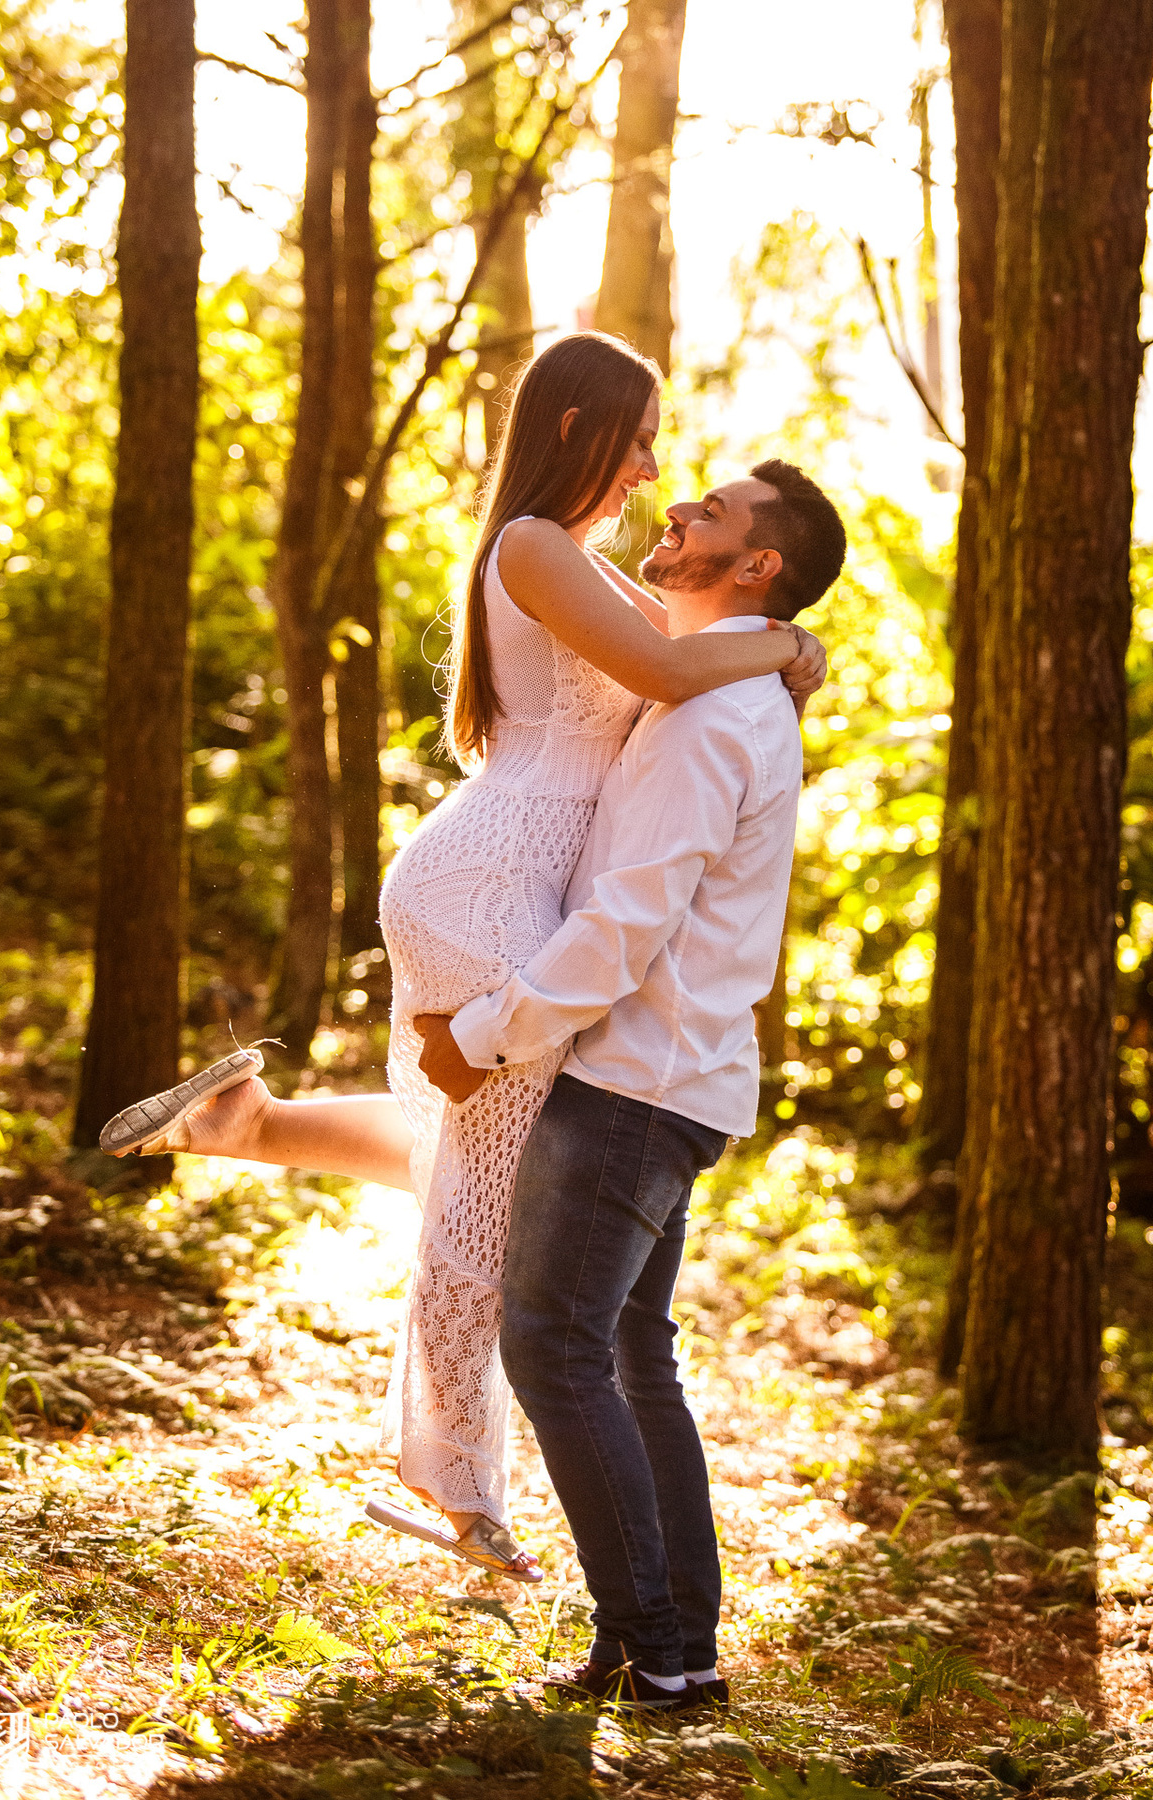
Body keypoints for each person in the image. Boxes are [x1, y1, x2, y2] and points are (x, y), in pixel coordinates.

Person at [99, 332, 826, 1583]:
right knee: (496, 1192)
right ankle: (460, 1487)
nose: (655, 465)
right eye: (641, 434)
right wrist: (788, 646)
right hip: (492, 880)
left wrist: (774, 640)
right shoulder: (537, 546)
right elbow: (671, 667)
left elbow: (686, 651)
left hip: (512, 879)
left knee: (489, 1160)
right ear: (572, 427)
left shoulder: (589, 567)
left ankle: (250, 1125)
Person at [413, 460, 847, 1706]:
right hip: (670, 1076)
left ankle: (661, 1651)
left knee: (552, 1348)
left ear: (757, 564)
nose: (678, 512)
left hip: (635, 1087)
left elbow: (623, 927)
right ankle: (668, 1644)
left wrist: (485, 1034)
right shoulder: (723, 682)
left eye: (710, 513)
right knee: (629, 1353)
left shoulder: (716, 713)